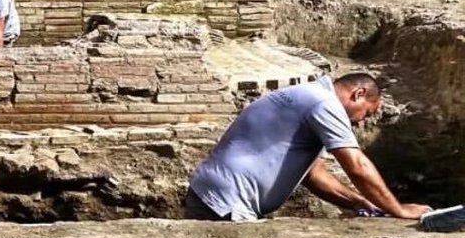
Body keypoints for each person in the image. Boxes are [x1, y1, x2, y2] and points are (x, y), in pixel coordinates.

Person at [185, 72, 431, 221]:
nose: (362, 123)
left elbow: (315, 175)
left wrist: (362, 203)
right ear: (358, 94)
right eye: (367, 113)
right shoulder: (324, 103)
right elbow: (356, 165)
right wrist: (398, 209)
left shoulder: (308, 96)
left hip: (214, 196)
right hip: (228, 203)